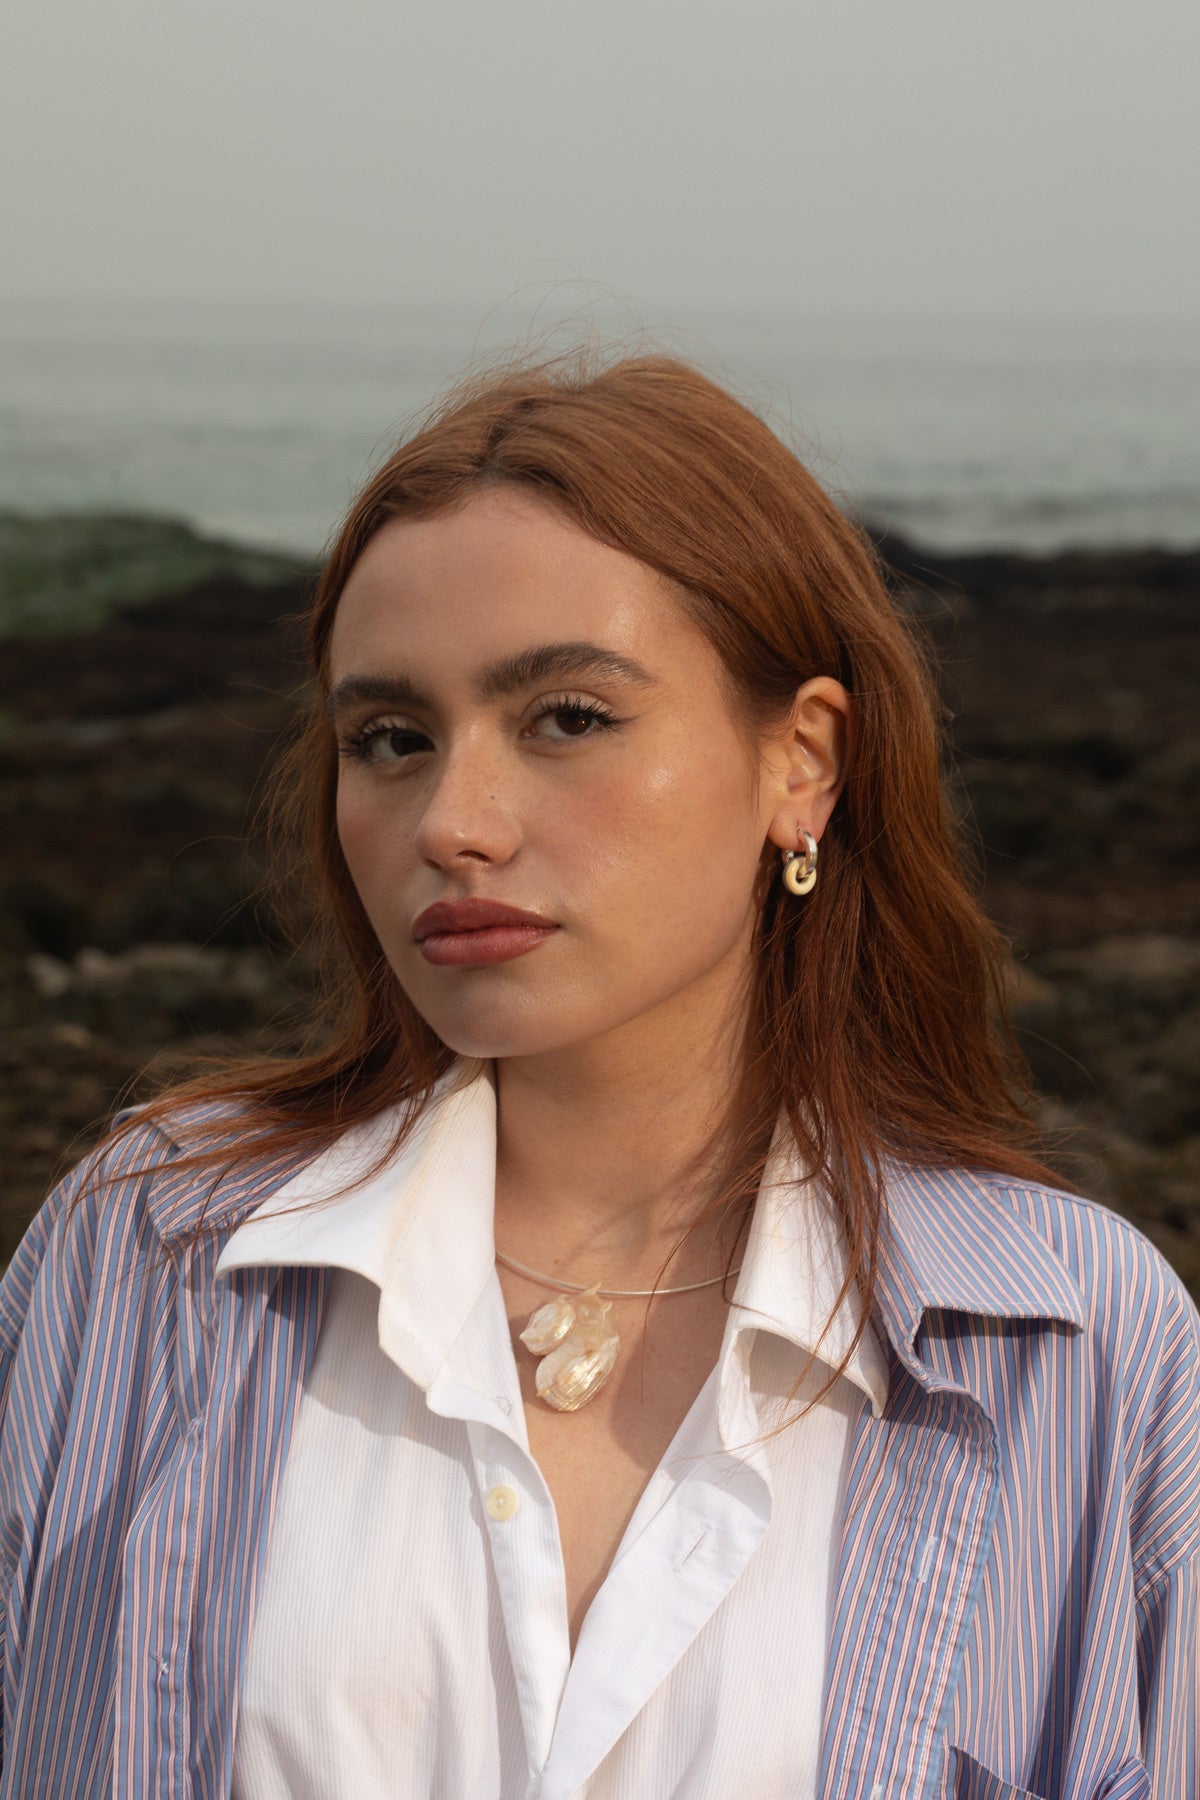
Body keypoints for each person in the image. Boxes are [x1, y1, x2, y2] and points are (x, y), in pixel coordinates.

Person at [0, 352, 1196, 1800]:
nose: (454, 820)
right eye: (389, 739)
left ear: (800, 762)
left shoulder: (1068, 1338)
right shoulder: (144, 1252)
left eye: (568, 717)